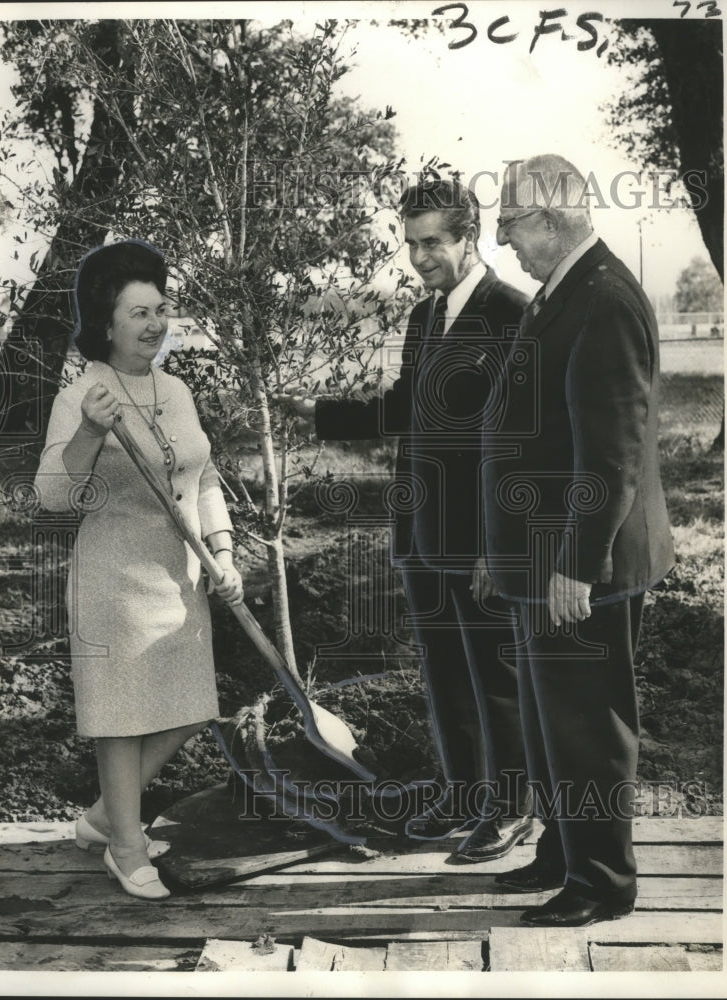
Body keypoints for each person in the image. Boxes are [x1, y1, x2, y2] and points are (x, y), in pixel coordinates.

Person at [283, 179, 532, 862]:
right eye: (411, 243)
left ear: (467, 238)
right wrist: (320, 413)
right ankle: (461, 798)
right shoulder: (426, 317)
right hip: (421, 536)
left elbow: (518, 446)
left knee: (495, 678)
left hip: (479, 540)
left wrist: (496, 547)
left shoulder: (512, 314)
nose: (420, 257)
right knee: (445, 675)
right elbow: (405, 412)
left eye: (433, 243)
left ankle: (512, 810)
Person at [476, 155, 675, 926]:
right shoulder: (559, 292)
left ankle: (600, 885)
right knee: (549, 714)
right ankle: (562, 852)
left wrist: (573, 566)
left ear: (550, 220)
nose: (504, 243)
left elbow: (610, 455)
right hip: (539, 553)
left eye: (510, 225)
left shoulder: (602, 299)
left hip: (578, 561)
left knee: (588, 720)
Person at [35, 240, 243, 900]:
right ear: (104, 323)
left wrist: (224, 548)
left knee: (188, 709)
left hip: (180, 577)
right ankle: (124, 845)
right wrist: (90, 435)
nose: (154, 324)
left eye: (160, 309)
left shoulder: (174, 389)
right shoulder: (82, 396)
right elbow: (50, 498)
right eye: (137, 313)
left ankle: (102, 816)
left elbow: (202, 474)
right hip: (113, 583)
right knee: (120, 719)